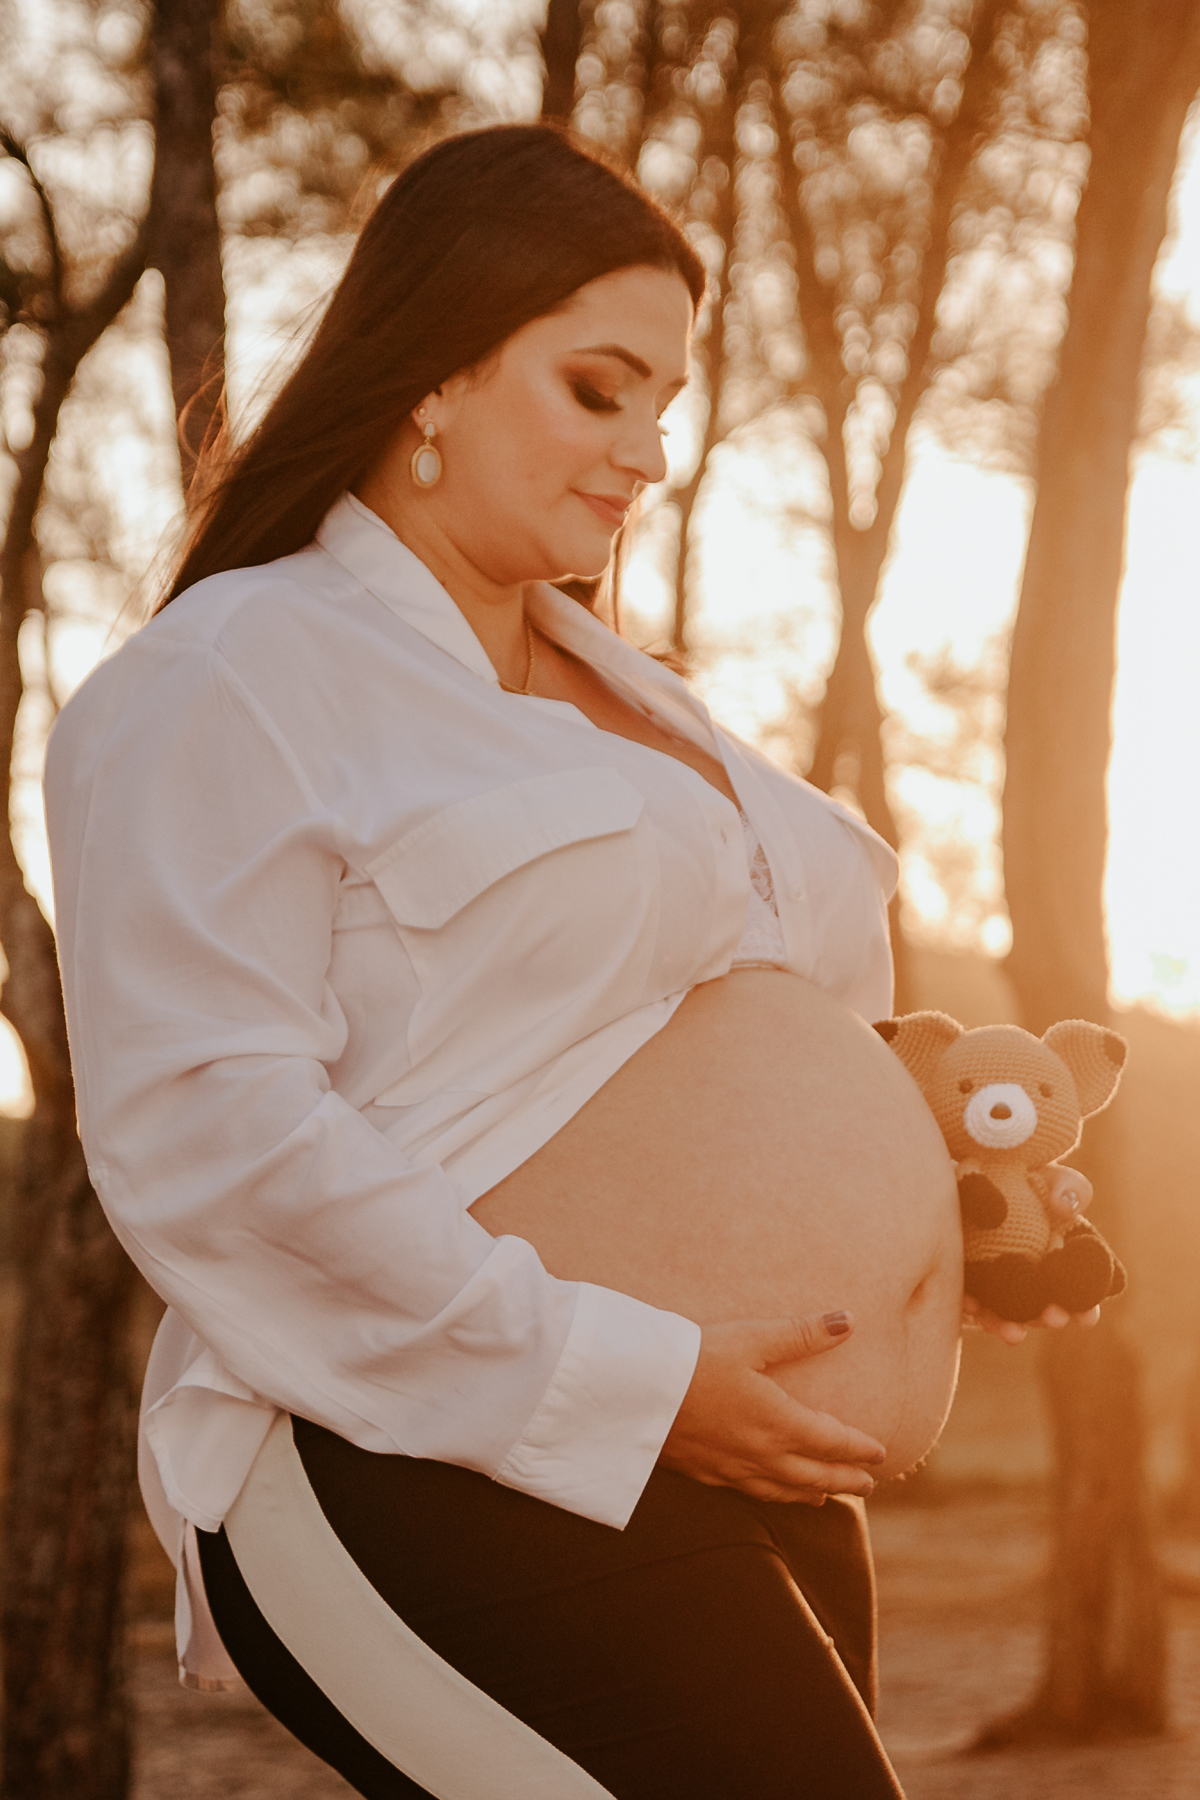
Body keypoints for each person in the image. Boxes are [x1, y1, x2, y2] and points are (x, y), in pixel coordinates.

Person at [44, 124, 1096, 1800]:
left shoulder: (638, 694)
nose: (648, 453)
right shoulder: (234, 672)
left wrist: (947, 1203)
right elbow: (206, 1129)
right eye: (600, 390)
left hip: (756, 1459)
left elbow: (735, 1048)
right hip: (422, 1448)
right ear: (437, 370)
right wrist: (628, 1379)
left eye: (666, 406)